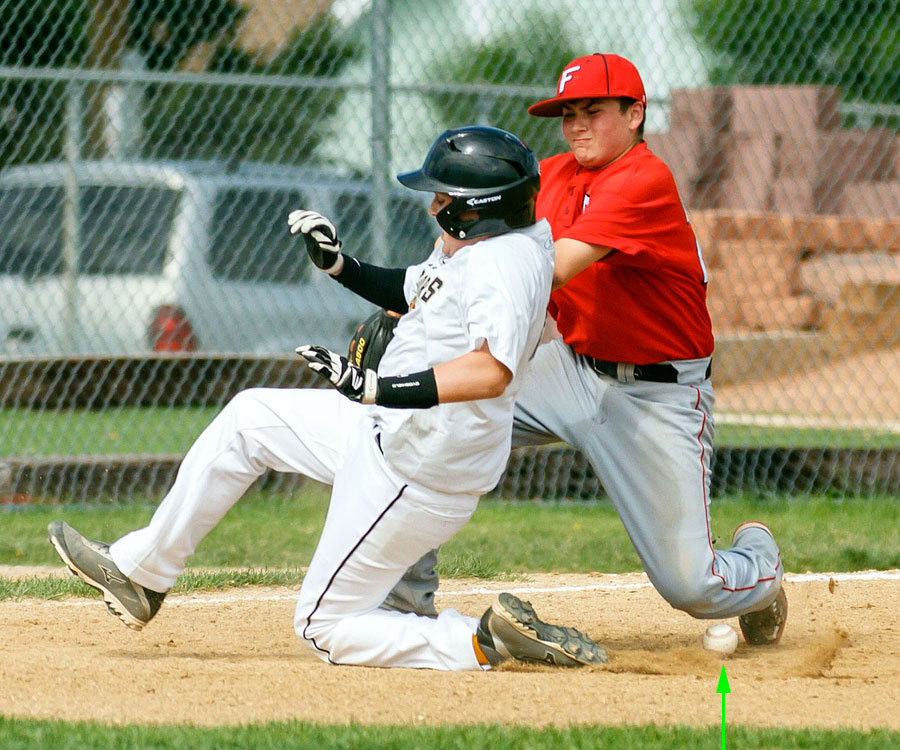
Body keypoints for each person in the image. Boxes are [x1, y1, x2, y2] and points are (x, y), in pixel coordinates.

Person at [47, 126, 609, 670]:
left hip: (418, 470)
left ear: (475, 209)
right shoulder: (486, 241)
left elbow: (492, 371)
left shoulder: (501, 263)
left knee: (323, 627)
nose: (433, 205)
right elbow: (412, 289)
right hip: (392, 434)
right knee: (250, 419)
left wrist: (377, 387)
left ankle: (483, 641)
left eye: (444, 197)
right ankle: (142, 574)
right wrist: (340, 264)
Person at [396, 54, 787, 646]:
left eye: (594, 111)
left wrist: (473, 261)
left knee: (693, 586)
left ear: (635, 115)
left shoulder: (643, 181)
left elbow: (551, 270)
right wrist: (419, 287)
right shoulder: (551, 175)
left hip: (655, 395)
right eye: (568, 113)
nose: (578, 125)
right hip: (570, 369)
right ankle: (404, 606)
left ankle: (759, 560)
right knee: (439, 411)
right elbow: (459, 231)